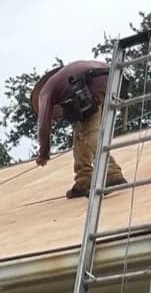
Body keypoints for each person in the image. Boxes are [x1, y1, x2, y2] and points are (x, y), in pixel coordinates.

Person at [32, 61, 128, 199]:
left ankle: (112, 172)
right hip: (113, 80)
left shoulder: (45, 93)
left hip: (93, 85)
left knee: (89, 132)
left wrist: (44, 153)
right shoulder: (66, 76)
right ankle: (84, 179)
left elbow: (43, 126)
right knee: (80, 132)